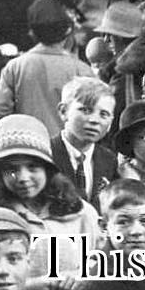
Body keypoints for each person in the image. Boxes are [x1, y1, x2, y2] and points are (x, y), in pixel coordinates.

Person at [0, 114, 99, 290]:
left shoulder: (82, 213)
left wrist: (80, 278)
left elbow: (104, 262)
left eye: (33, 167)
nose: (23, 178)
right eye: (12, 170)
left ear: (47, 169)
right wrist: (25, 288)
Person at [0, 0, 94, 136]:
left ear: (32, 32)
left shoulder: (15, 67)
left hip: (29, 145)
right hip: (69, 147)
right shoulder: (82, 70)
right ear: (66, 31)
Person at [49, 76, 119, 205]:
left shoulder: (109, 160)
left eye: (103, 114)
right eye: (86, 110)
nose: (94, 120)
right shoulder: (46, 154)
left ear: (110, 122)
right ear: (63, 111)